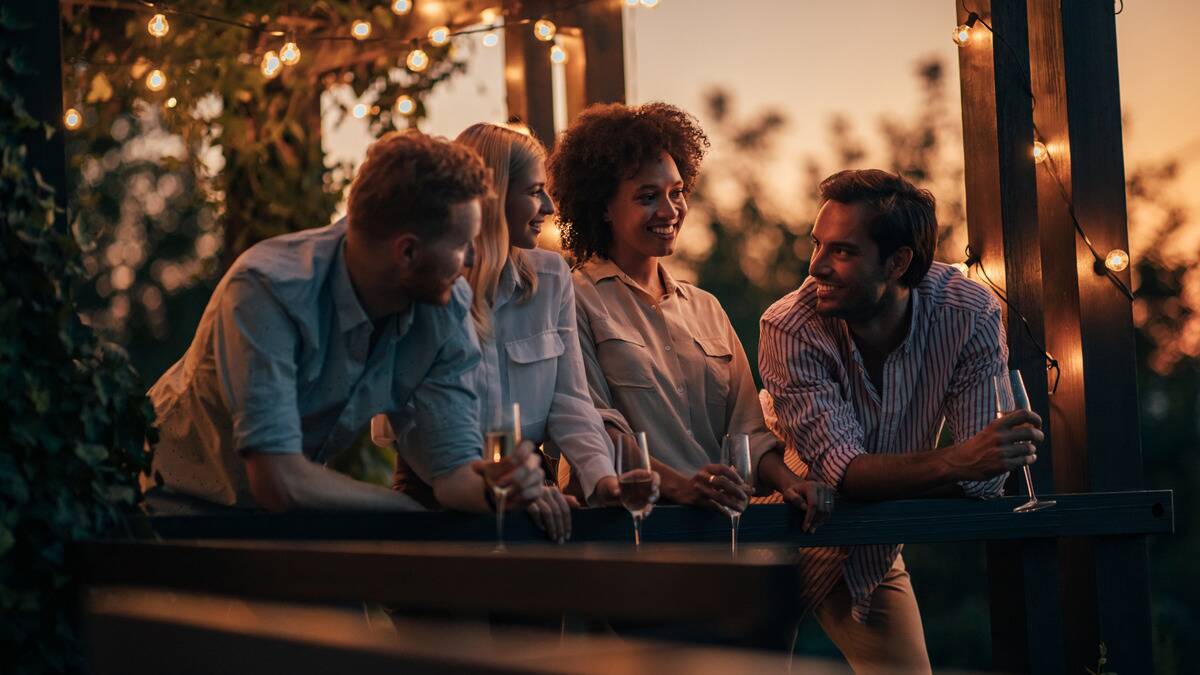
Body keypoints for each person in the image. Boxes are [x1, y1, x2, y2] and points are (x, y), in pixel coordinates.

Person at [144, 130, 545, 515]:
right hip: (166, 505)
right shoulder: (268, 291)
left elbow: (455, 475)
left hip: (273, 516)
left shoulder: (443, 307)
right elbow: (277, 478)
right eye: (461, 247)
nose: (472, 261)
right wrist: (406, 511)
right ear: (407, 252)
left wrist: (500, 492)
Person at [757, 169, 1042, 673]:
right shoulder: (790, 326)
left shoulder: (968, 311)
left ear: (898, 262)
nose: (816, 266)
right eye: (816, 244)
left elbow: (989, 475)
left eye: (841, 251)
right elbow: (843, 473)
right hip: (773, 537)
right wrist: (955, 461)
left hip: (872, 547)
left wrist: (892, 481)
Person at [547, 101, 833, 526]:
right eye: (647, 197)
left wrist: (791, 483)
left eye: (676, 192)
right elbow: (592, 430)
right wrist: (682, 486)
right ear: (603, 206)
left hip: (717, 538)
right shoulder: (572, 299)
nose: (669, 211)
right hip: (624, 538)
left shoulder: (707, 308)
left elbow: (748, 433)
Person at [373, 123, 638, 540]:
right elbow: (407, 422)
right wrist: (495, 487)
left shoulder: (552, 278)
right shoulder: (430, 287)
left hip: (531, 488)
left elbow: (571, 401)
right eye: (535, 191)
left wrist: (602, 480)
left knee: (535, 604)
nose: (549, 206)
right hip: (435, 492)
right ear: (492, 195)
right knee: (443, 607)